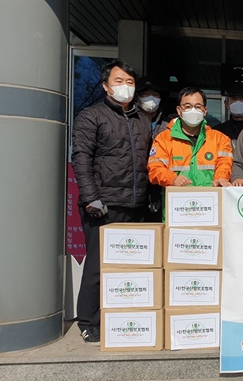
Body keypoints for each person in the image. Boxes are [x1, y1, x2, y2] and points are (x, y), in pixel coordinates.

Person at [71, 60, 151, 345]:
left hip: (136, 204)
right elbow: (81, 158)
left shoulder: (143, 120)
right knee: (98, 266)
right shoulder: (91, 116)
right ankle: (89, 322)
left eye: (129, 82)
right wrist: (91, 197)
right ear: (106, 86)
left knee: (131, 268)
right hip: (102, 205)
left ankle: (121, 316)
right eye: (119, 81)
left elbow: (148, 162)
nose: (125, 87)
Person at [148, 87, 233, 190]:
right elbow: (155, 169)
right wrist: (172, 179)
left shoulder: (220, 139)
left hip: (210, 201)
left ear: (205, 111)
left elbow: (224, 163)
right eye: (187, 106)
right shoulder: (164, 139)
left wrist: (221, 177)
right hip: (177, 202)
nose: (193, 110)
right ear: (179, 110)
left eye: (198, 107)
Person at [135, 77, 173, 222]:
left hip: (161, 184)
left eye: (155, 95)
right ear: (137, 97)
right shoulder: (129, 120)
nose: (151, 98)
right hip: (136, 182)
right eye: (145, 95)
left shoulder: (170, 122)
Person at [212, 84, 243, 149]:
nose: (238, 103)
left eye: (242, 99)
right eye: (234, 99)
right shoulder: (217, 131)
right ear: (226, 104)